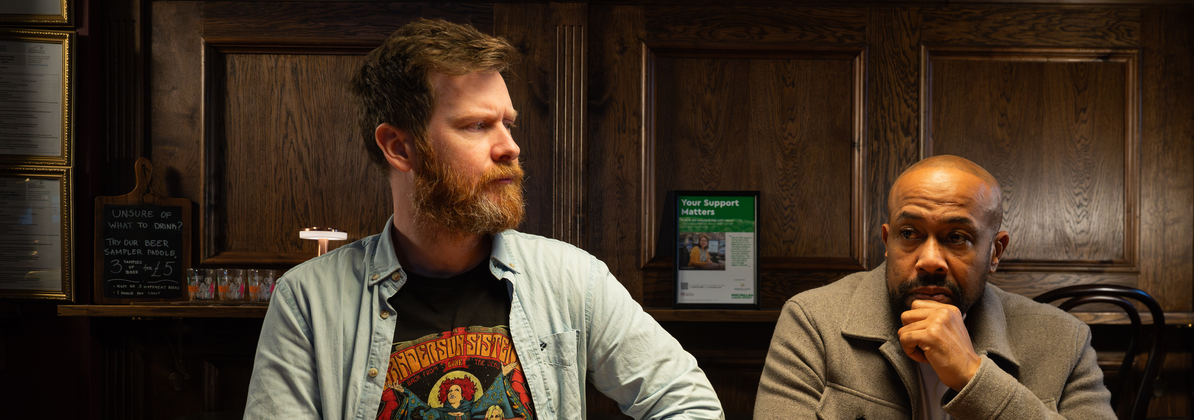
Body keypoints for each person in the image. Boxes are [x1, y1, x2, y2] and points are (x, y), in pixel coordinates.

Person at [244, 18, 723, 420]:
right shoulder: (307, 301)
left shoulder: (573, 279)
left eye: (507, 124)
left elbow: (690, 403)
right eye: (476, 125)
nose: (510, 147)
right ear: (399, 146)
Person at [754, 155, 1115, 420]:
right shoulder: (813, 323)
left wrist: (974, 377)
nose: (929, 260)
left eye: (956, 237)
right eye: (909, 234)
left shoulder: (1064, 340)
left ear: (995, 252)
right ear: (887, 240)